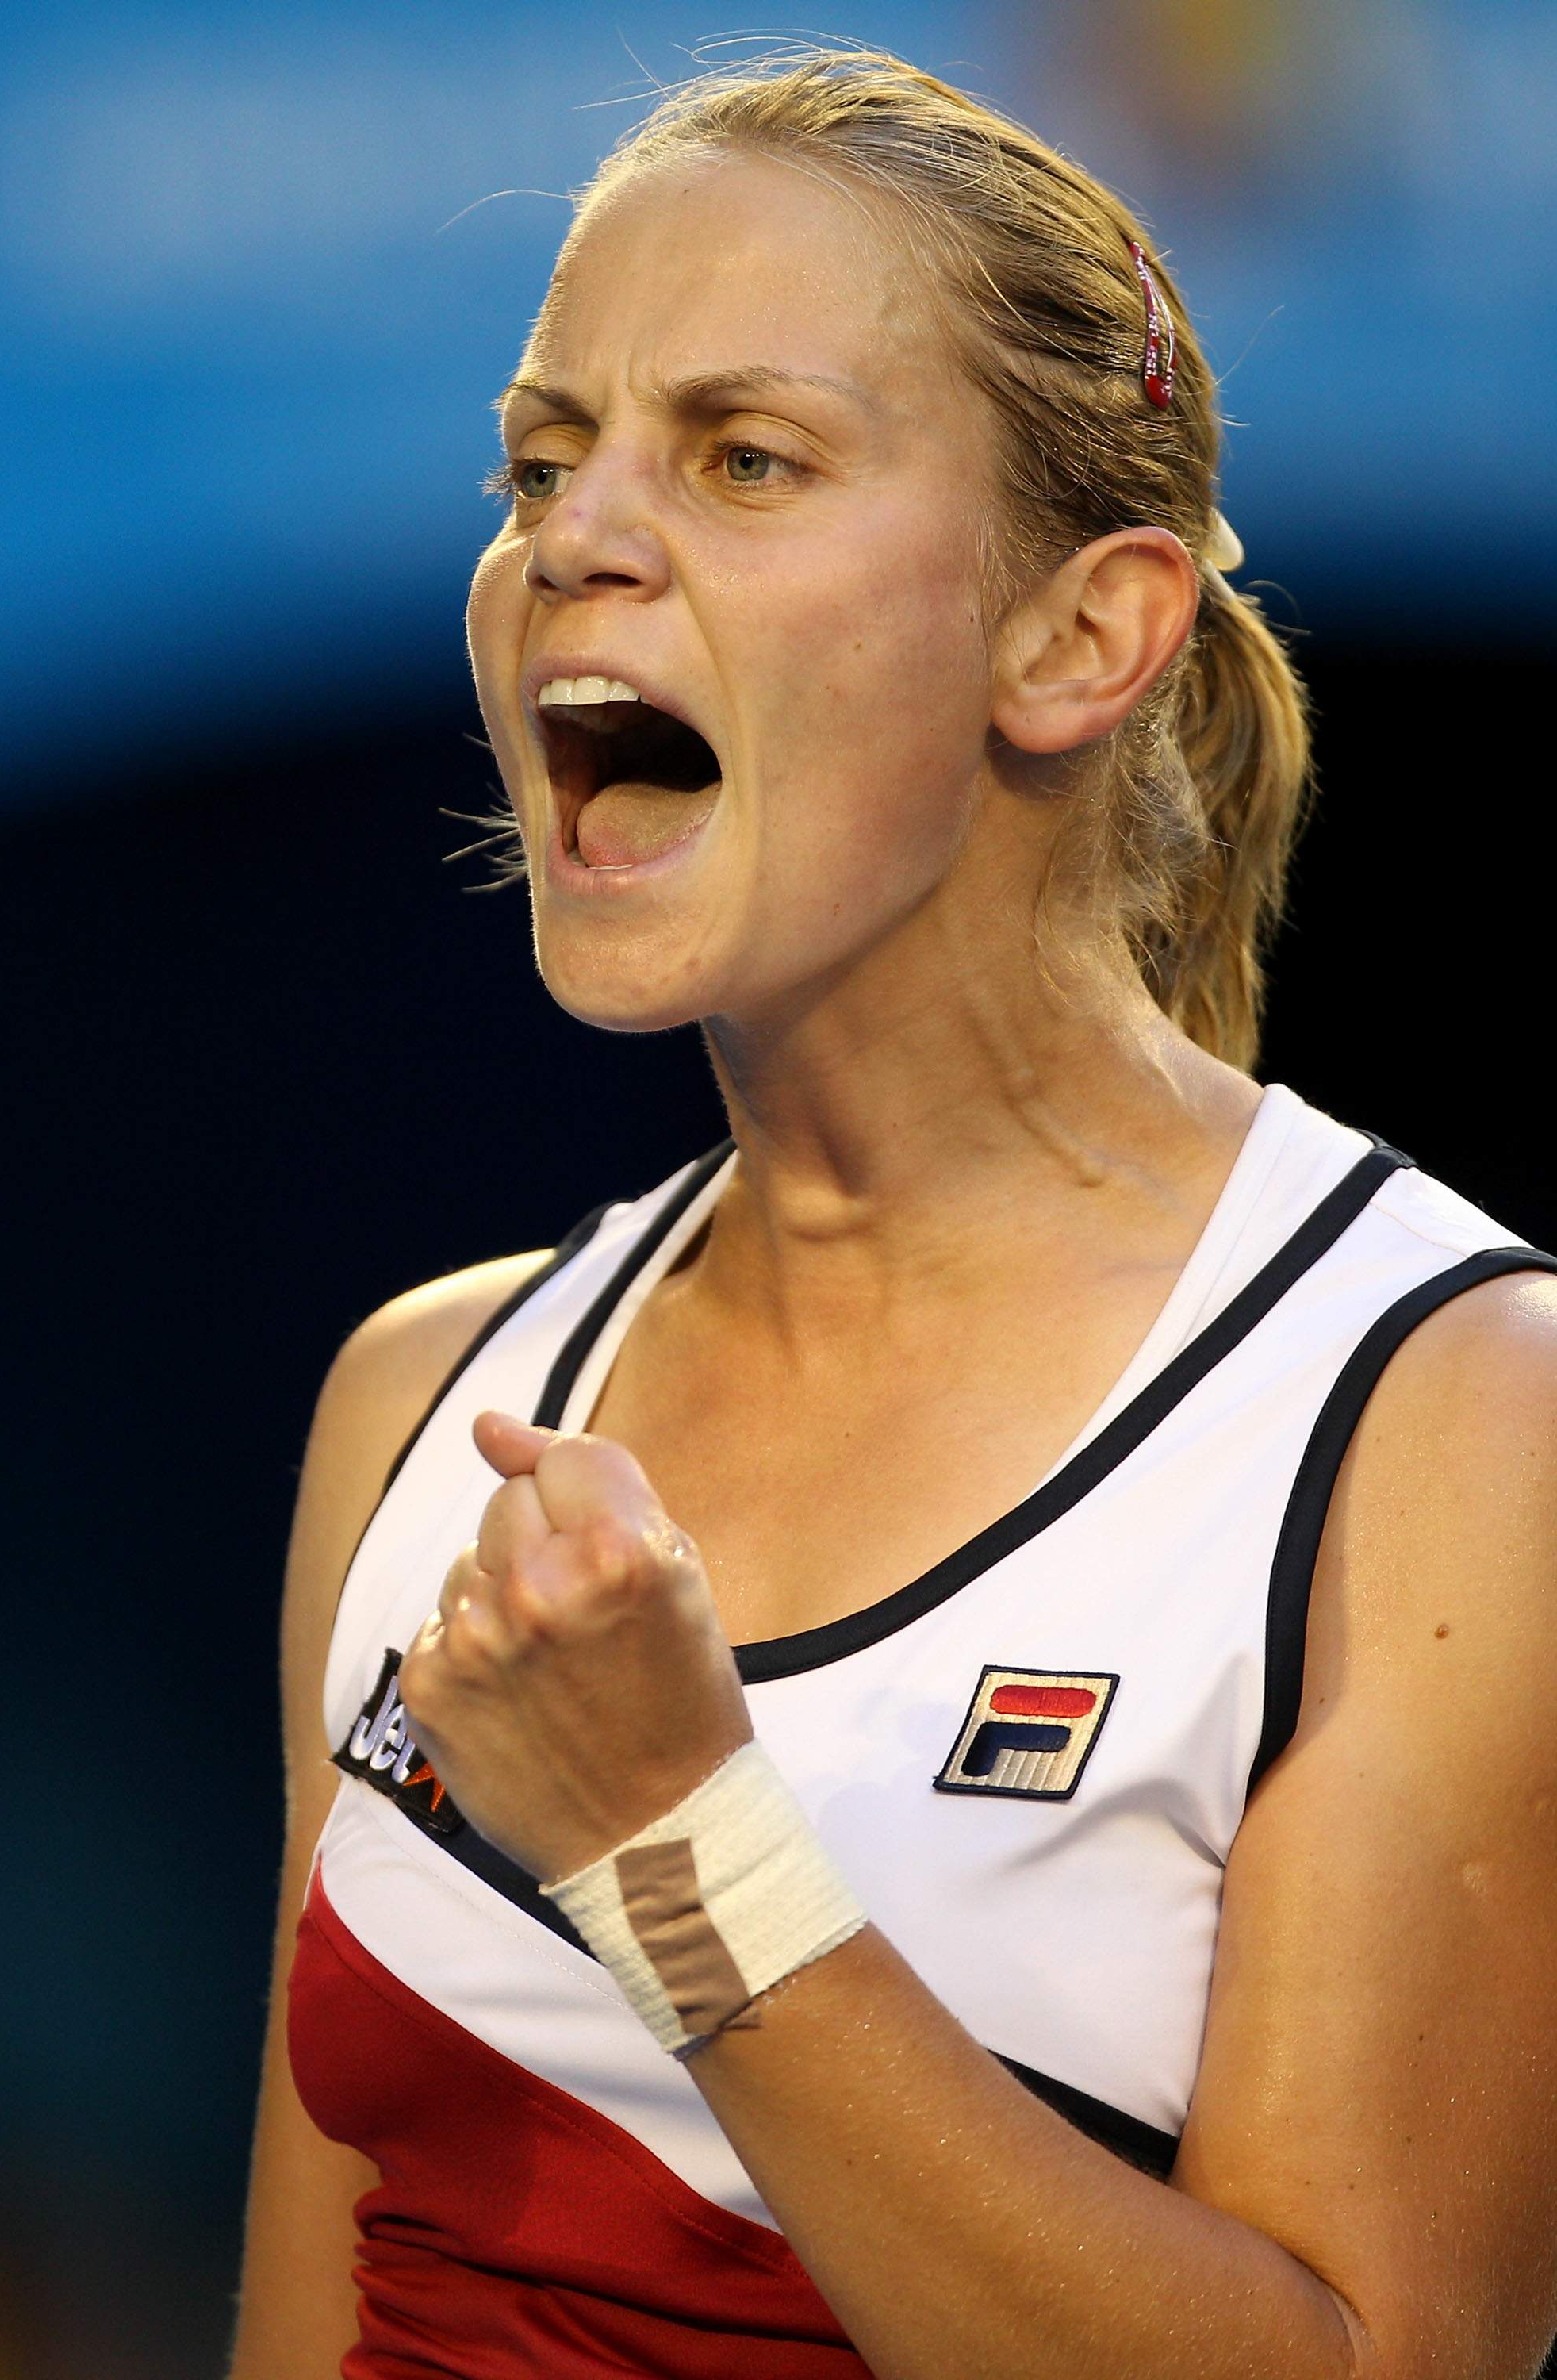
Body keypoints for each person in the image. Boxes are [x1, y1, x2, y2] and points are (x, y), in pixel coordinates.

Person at [228, 45, 1557, 2380]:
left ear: (1081, 636)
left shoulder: (1451, 1421)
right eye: (542, 462)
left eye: (745, 458)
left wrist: (678, 1847)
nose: (575, 540)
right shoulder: (419, 1401)